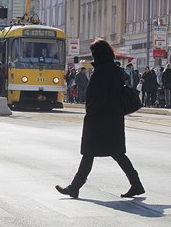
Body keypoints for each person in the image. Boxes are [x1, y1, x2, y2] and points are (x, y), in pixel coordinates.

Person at [55, 38, 145, 199]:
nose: (93, 56)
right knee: (115, 153)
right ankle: (136, 184)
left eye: (94, 53)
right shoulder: (112, 69)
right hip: (111, 119)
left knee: (91, 152)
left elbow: (99, 96)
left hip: (100, 119)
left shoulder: (103, 71)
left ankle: (75, 187)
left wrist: (92, 111)